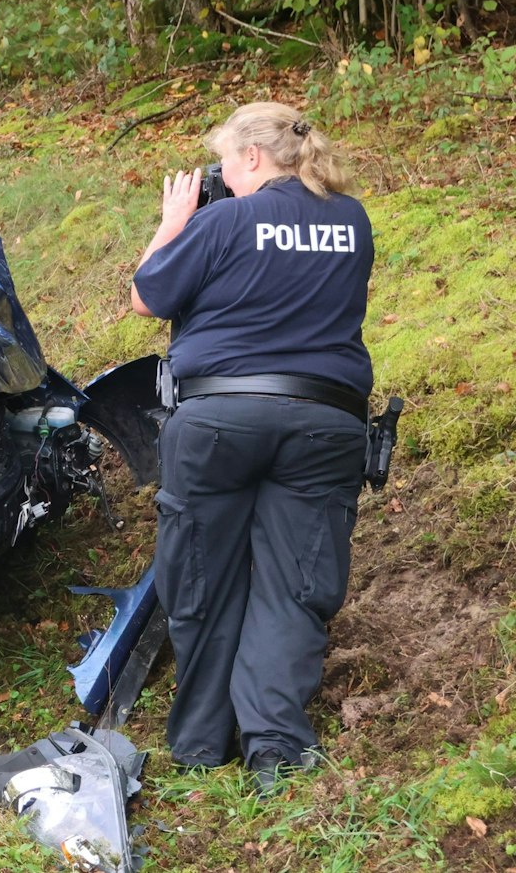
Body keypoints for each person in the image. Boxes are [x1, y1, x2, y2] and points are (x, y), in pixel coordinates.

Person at [129, 101, 375, 793]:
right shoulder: (352, 220)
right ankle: (275, 749)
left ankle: (202, 744)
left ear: (255, 157)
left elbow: (147, 296)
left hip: (219, 421)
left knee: (201, 577)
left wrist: (174, 221)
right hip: (325, 422)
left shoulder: (222, 221)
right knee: (296, 587)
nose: (225, 177)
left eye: (227, 163)